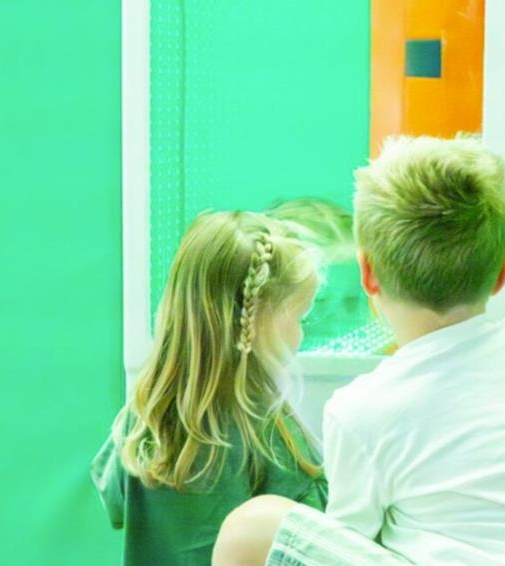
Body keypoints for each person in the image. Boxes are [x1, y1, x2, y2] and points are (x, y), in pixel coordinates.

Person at [213, 136, 505, 566]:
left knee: (255, 526)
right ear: (502, 272)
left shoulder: (358, 407)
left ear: (368, 275)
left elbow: (352, 538)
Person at [92, 210, 328, 565]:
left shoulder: (142, 418)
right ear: (257, 321)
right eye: (298, 317)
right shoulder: (267, 431)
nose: (301, 333)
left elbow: (113, 501)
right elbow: (316, 530)